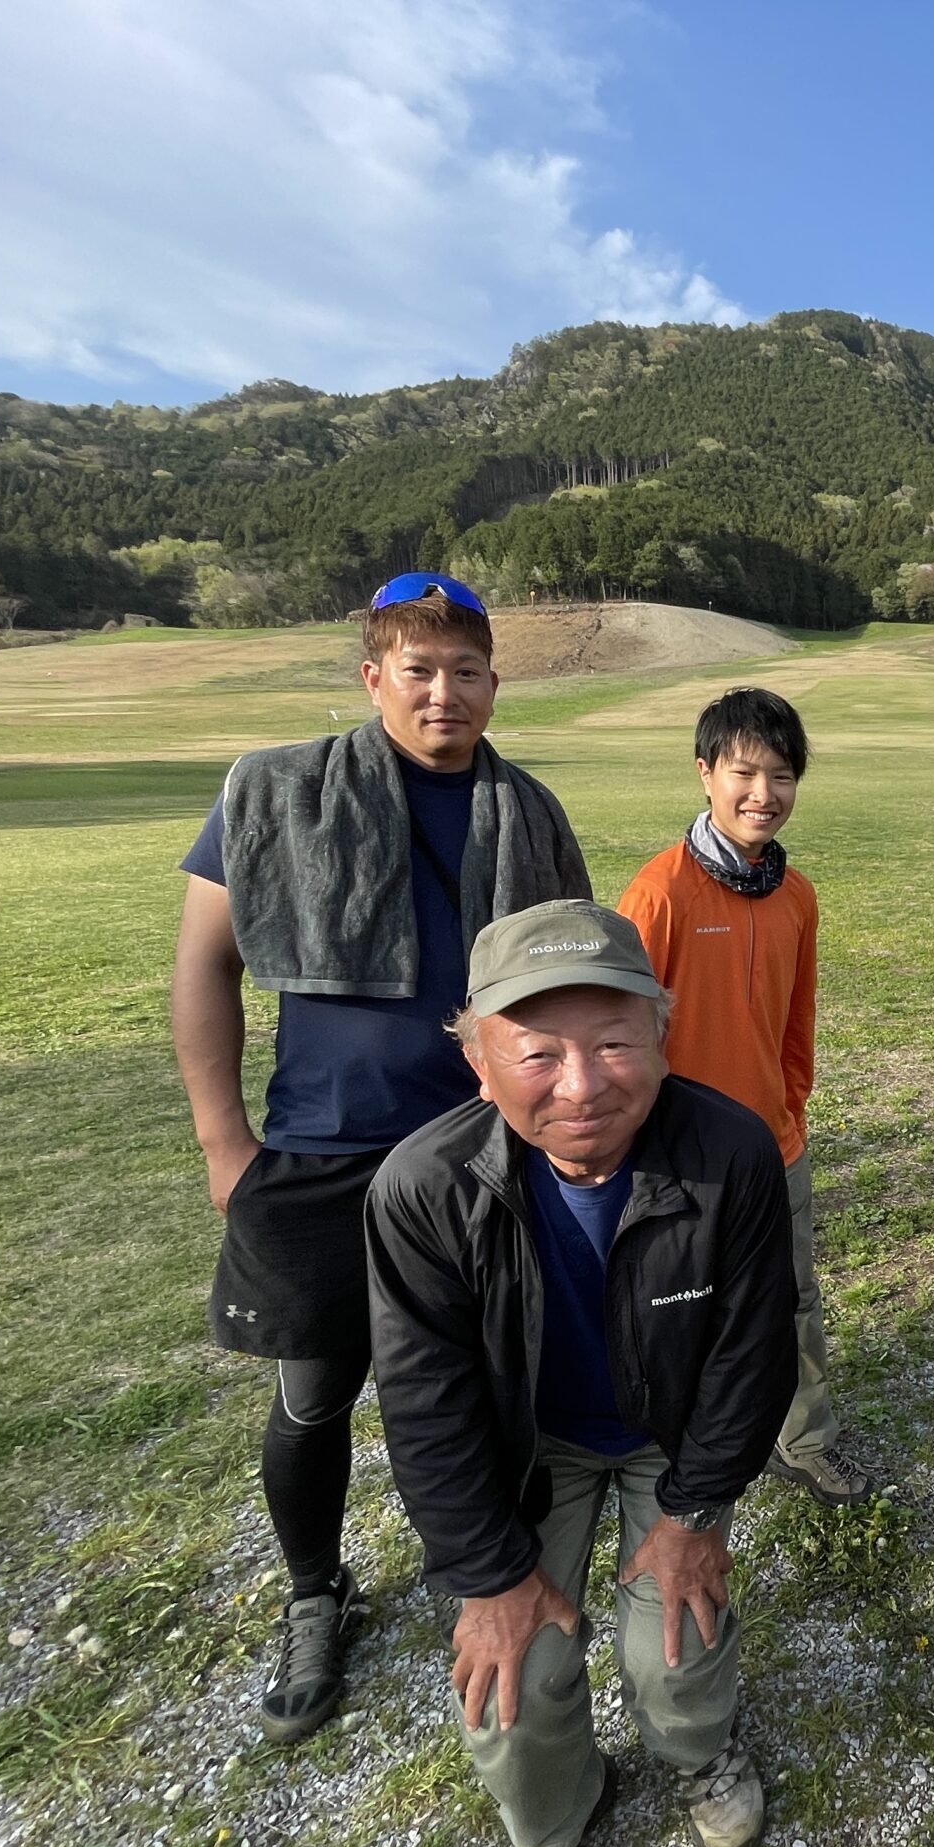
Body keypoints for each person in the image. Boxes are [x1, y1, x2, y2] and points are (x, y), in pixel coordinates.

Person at [169, 571, 587, 1745]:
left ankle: (497, 1569)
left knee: (493, 1371)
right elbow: (207, 966)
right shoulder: (275, 790)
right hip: (321, 1149)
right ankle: (317, 1593)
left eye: (466, 672)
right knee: (314, 1392)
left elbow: (568, 987)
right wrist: (224, 1143)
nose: (444, 693)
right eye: (420, 670)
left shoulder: (533, 812)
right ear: (373, 677)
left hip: (479, 1152)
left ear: (496, 683)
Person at [366, 900, 796, 1847]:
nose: (582, 1085)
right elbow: (426, 1404)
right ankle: (550, 1825)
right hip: (531, 1450)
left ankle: (700, 1751)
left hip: (669, 1439)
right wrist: (488, 1574)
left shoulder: (728, 1151)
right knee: (510, 1679)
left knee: (674, 1647)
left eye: (613, 1042)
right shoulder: (420, 1191)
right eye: (537, 1052)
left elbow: (752, 1357)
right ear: (478, 1059)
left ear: (662, 1030)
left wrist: (694, 1514)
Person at [617, 685, 871, 1508]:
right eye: (744, 771)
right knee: (684, 1312)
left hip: (773, 1147)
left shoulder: (796, 896)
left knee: (792, 1303)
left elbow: (797, 1025)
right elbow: (625, 1032)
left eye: (783, 775)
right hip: (680, 1157)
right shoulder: (659, 893)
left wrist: (787, 1108)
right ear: (705, 773)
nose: (764, 793)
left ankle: (805, 1443)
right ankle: (688, 1450)